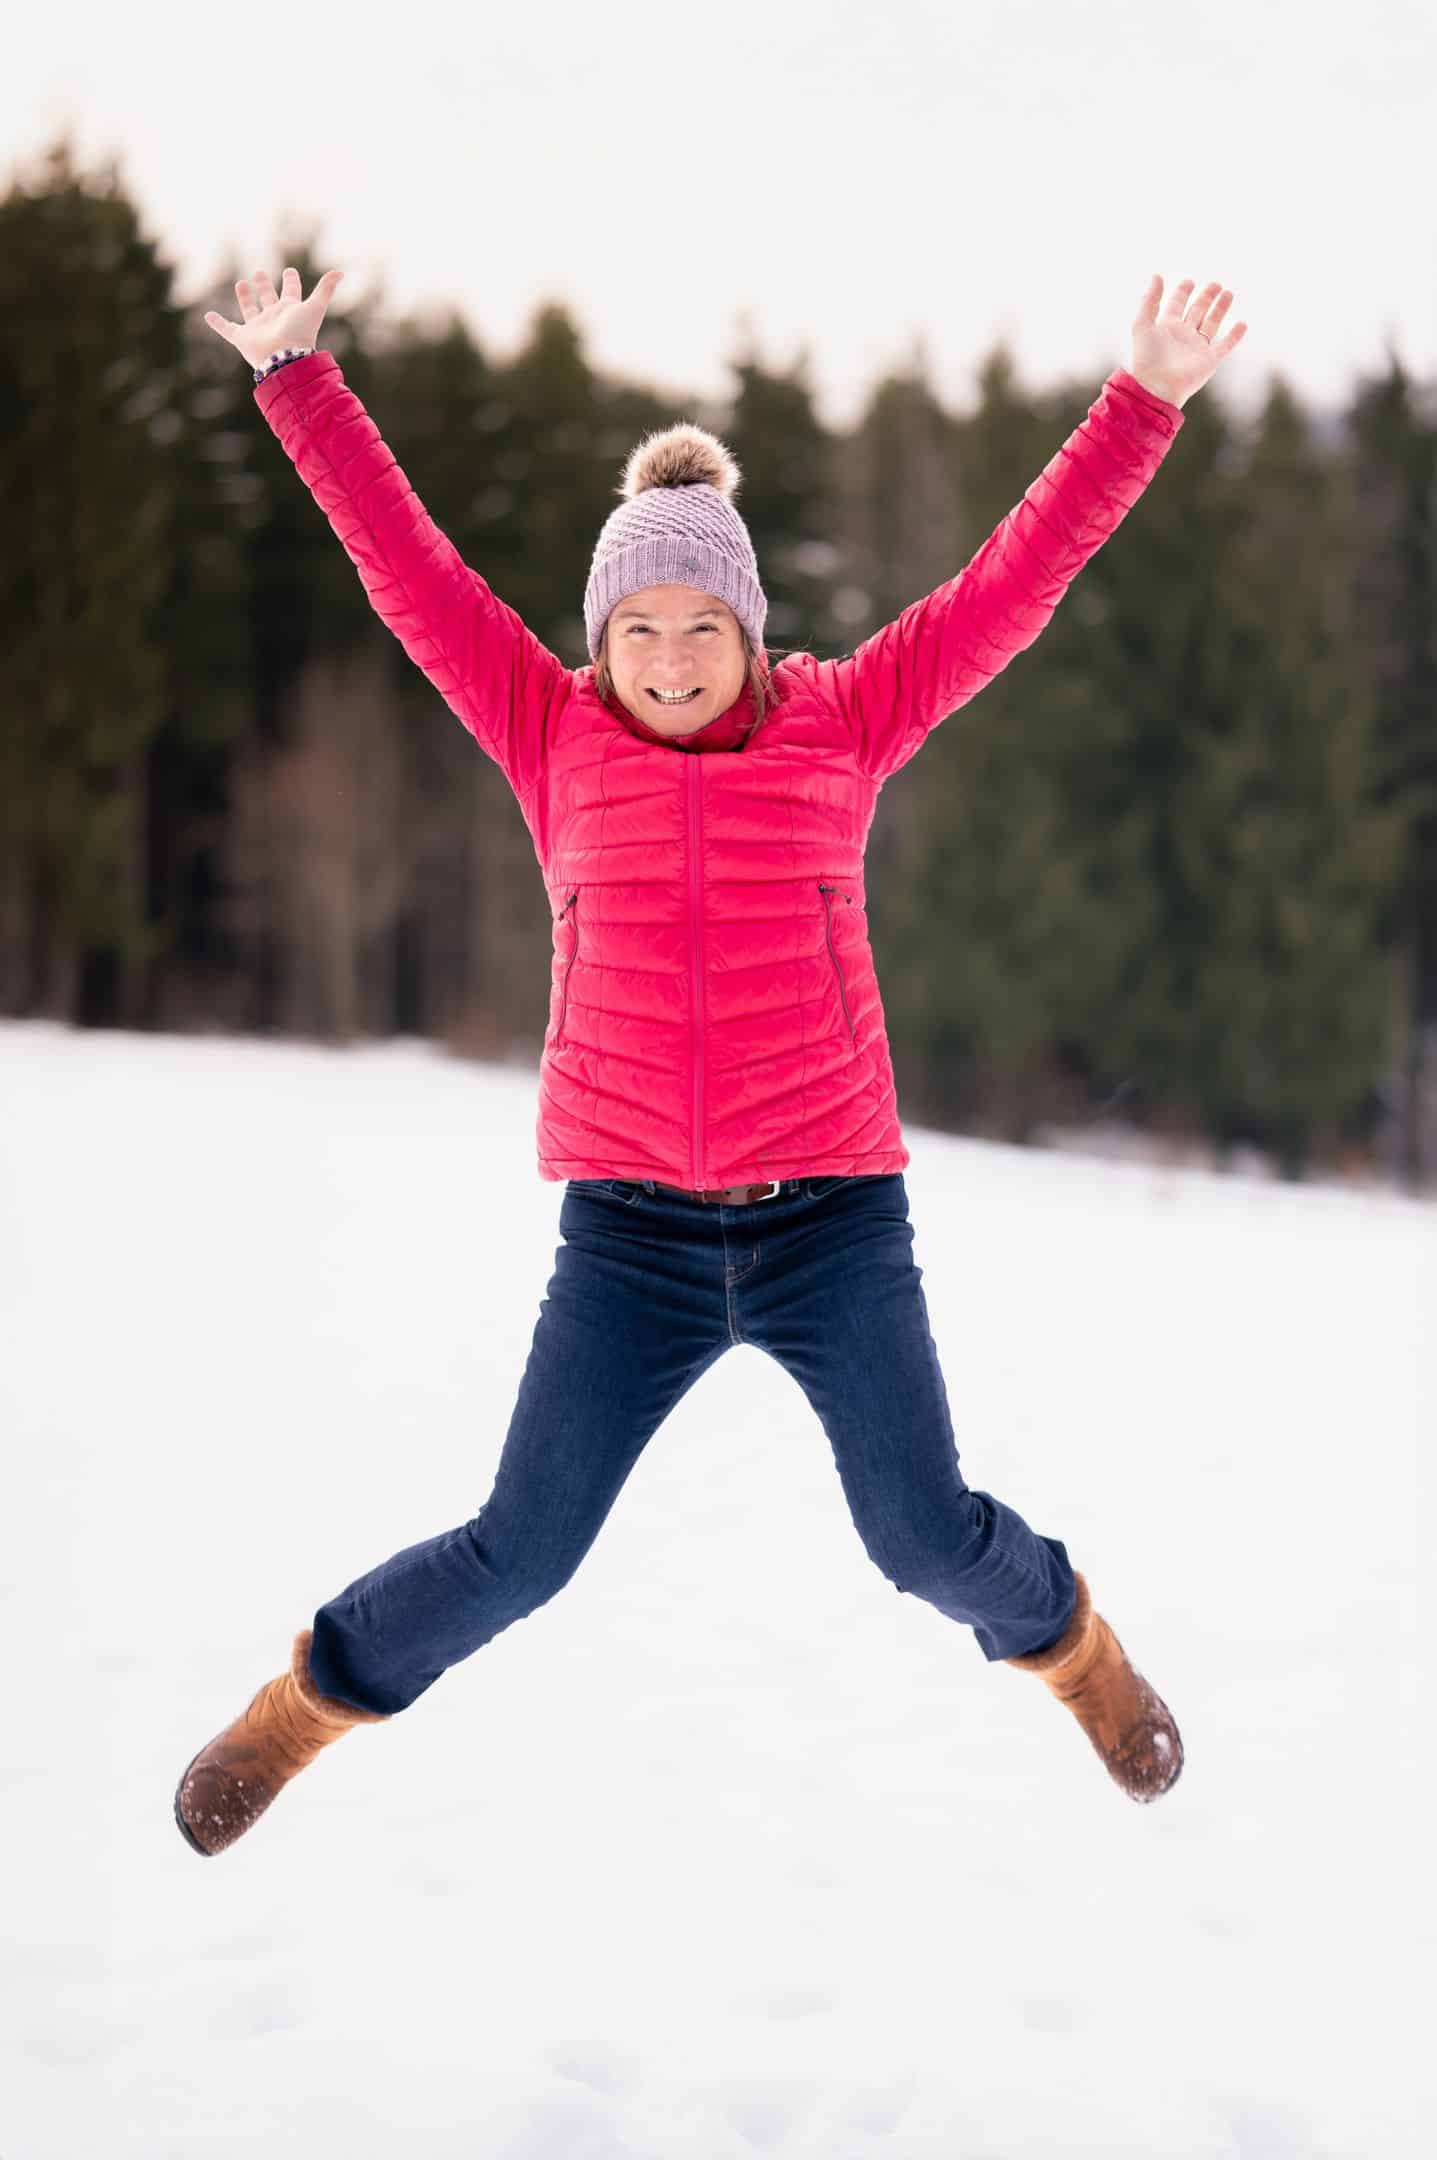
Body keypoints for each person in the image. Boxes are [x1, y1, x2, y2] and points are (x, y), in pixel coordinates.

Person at [175, 267, 1247, 1857]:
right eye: (638, 631)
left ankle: (1075, 1651)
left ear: (749, 633)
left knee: (921, 1535)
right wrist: (296, 378)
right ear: (599, 642)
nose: (670, 660)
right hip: (630, 1239)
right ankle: (304, 1705)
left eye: (699, 629)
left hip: (829, 1223)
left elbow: (1012, 581)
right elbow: (410, 574)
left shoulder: (842, 723)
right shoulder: (551, 737)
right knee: (523, 1548)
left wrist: (1140, 398)